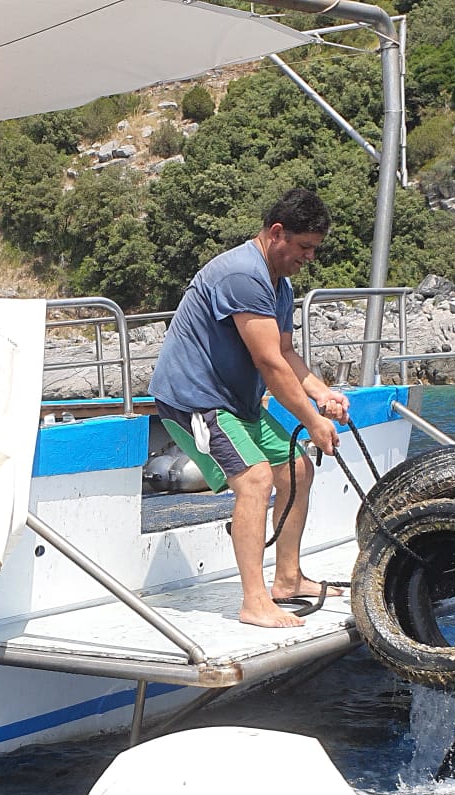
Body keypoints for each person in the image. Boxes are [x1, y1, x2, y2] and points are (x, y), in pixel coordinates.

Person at [150, 187, 353, 628]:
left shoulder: (280, 284)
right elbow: (267, 363)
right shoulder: (242, 275)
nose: (310, 257)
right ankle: (254, 601)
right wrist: (312, 421)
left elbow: (286, 354)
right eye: (304, 247)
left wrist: (321, 393)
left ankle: (288, 579)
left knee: (297, 469)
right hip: (195, 401)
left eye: (315, 249)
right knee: (256, 480)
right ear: (277, 233)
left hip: (235, 402)